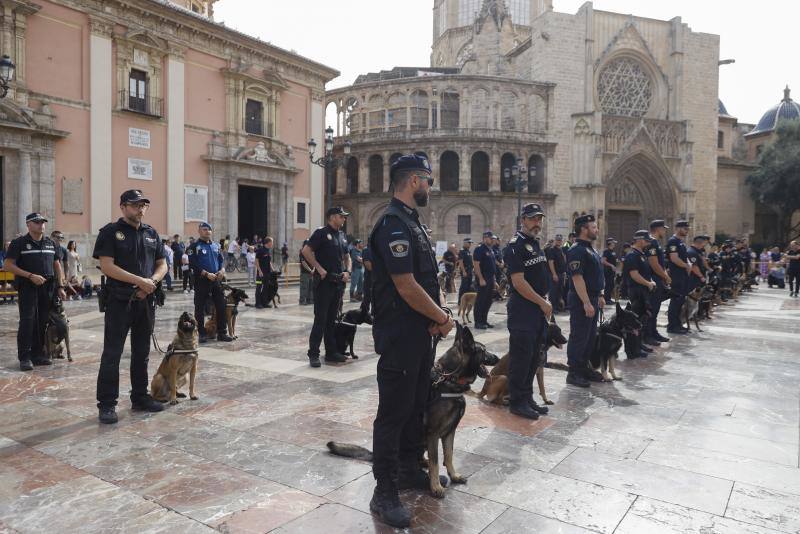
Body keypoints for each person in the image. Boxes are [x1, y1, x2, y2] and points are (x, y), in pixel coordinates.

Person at [368, 154, 454, 528]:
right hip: (401, 335)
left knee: (416, 404)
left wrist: (437, 316)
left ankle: (407, 467)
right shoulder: (392, 224)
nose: (431, 188)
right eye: (429, 182)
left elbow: (426, 280)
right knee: (393, 412)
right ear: (415, 180)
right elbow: (405, 285)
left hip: (420, 334)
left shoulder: (412, 223)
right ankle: (383, 491)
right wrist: (441, 317)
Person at [92, 190, 168, 423]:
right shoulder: (110, 232)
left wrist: (152, 282)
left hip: (145, 301)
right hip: (119, 301)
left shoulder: (151, 233)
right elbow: (107, 266)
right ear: (123, 207)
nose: (141, 209)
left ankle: (139, 397)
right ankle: (106, 404)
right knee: (112, 354)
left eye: (144, 205)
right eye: (135, 205)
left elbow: (162, 263)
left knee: (141, 353)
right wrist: (139, 281)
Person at [503, 203, 552, 419]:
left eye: (539, 219)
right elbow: (518, 282)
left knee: (533, 357)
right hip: (523, 309)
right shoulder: (515, 246)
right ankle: (517, 401)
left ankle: (528, 397)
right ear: (523, 220)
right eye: (533, 219)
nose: (537, 223)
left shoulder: (535, 243)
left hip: (537, 308)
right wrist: (542, 302)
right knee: (521, 358)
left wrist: (544, 301)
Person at [3, 213, 67, 371]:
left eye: (43, 222)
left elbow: (57, 265)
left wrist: (60, 287)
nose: (41, 225)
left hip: (48, 287)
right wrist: (30, 276)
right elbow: (8, 265)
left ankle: (38, 354)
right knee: (27, 321)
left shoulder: (51, 243)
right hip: (28, 286)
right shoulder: (19, 243)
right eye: (37, 222)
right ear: (28, 224)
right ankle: (25, 357)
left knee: (43, 320)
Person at [302, 207, 351, 367]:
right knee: (321, 319)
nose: (344, 219)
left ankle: (331, 352)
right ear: (331, 217)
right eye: (341, 216)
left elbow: (347, 257)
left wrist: (347, 271)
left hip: (337, 283)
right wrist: (319, 268)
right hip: (324, 283)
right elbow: (306, 251)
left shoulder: (342, 236)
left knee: (332, 320)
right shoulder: (321, 232)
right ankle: (313, 354)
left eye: (344, 217)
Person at [565, 214, 605, 388]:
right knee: (579, 336)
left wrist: (600, 296)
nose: (597, 230)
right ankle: (573, 372)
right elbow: (577, 278)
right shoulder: (577, 250)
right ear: (584, 229)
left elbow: (595, 276)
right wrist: (587, 302)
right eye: (594, 227)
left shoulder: (591, 249)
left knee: (589, 337)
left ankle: (583, 367)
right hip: (582, 298)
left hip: (593, 297)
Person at [188, 222, 233, 343]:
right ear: (199, 231)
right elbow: (192, 264)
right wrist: (206, 274)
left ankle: (222, 333)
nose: (207, 231)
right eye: (204, 229)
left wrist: (222, 270)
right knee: (200, 308)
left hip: (216, 280)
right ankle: (201, 333)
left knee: (221, 306)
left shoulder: (216, 246)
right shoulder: (194, 247)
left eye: (209, 230)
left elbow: (221, 261)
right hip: (202, 280)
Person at [623, 230, 657, 359]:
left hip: (643, 291)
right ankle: (633, 350)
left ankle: (639, 344)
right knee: (634, 322)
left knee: (641, 321)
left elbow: (644, 273)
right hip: (636, 292)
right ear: (640, 240)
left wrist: (650, 281)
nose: (648, 242)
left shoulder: (641, 254)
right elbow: (634, 274)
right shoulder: (632, 255)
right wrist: (648, 283)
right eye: (647, 240)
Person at [645, 220, 671, 344]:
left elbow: (660, 263)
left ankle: (653, 332)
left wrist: (664, 275)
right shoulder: (651, 242)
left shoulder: (656, 242)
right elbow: (654, 263)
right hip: (653, 279)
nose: (664, 231)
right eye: (663, 229)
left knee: (655, 309)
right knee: (651, 309)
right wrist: (665, 276)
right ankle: (648, 335)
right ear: (657, 229)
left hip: (658, 278)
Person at [666, 221, 692, 335]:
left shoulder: (680, 242)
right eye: (685, 229)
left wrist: (689, 263)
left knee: (681, 301)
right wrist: (686, 265)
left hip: (683, 275)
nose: (687, 231)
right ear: (677, 228)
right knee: (676, 301)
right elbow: (674, 258)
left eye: (687, 229)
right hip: (676, 276)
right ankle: (672, 326)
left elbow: (684, 257)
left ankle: (678, 324)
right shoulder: (673, 241)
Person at [473, 231, 497, 329]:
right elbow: (476, 265)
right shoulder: (479, 249)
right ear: (485, 238)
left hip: (490, 278)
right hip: (483, 278)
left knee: (488, 301)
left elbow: (492, 266)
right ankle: (478, 322)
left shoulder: (490, 250)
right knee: (480, 301)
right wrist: (481, 278)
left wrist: (494, 280)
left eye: (493, 239)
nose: (492, 240)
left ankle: (484, 320)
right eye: (491, 238)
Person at [545, 234, 567, 312]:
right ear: (555, 240)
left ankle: (557, 306)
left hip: (561, 274)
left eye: (560, 240)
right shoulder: (552, 249)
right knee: (553, 292)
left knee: (559, 291)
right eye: (557, 240)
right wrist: (554, 274)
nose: (559, 241)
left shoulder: (560, 250)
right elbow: (551, 262)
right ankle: (552, 308)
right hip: (555, 274)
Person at [255, 237, 275, 308]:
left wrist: (273, 269)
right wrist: (259, 271)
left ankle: (264, 303)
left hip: (267, 273)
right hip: (260, 274)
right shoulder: (260, 250)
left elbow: (269, 261)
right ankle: (258, 303)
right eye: (272, 242)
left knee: (266, 288)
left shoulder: (268, 250)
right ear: (268, 242)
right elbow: (256, 261)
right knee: (259, 287)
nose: (272, 243)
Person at [457, 238, 474, 302]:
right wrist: (463, 271)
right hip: (465, 270)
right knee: (464, 287)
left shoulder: (468, 251)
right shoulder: (462, 251)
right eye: (469, 243)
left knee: (469, 286)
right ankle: (460, 301)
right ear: (465, 243)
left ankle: (467, 300)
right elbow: (461, 262)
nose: (470, 245)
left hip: (469, 271)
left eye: (470, 243)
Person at [601, 238, 618, 303]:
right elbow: (603, 261)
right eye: (613, 243)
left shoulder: (612, 251)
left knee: (611, 285)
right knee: (608, 284)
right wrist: (611, 265)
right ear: (610, 243)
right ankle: (606, 299)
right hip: (608, 270)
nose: (614, 244)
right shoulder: (606, 251)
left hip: (612, 271)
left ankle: (609, 298)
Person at [299, 239, 314, 305]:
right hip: (305, 272)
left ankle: (309, 300)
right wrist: (310, 270)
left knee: (311, 287)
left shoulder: (312, 252)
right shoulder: (302, 252)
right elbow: (303, 263)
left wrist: (313, 269)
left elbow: (314, 261)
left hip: (311, 272)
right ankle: (302, 300)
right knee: (304, 287)